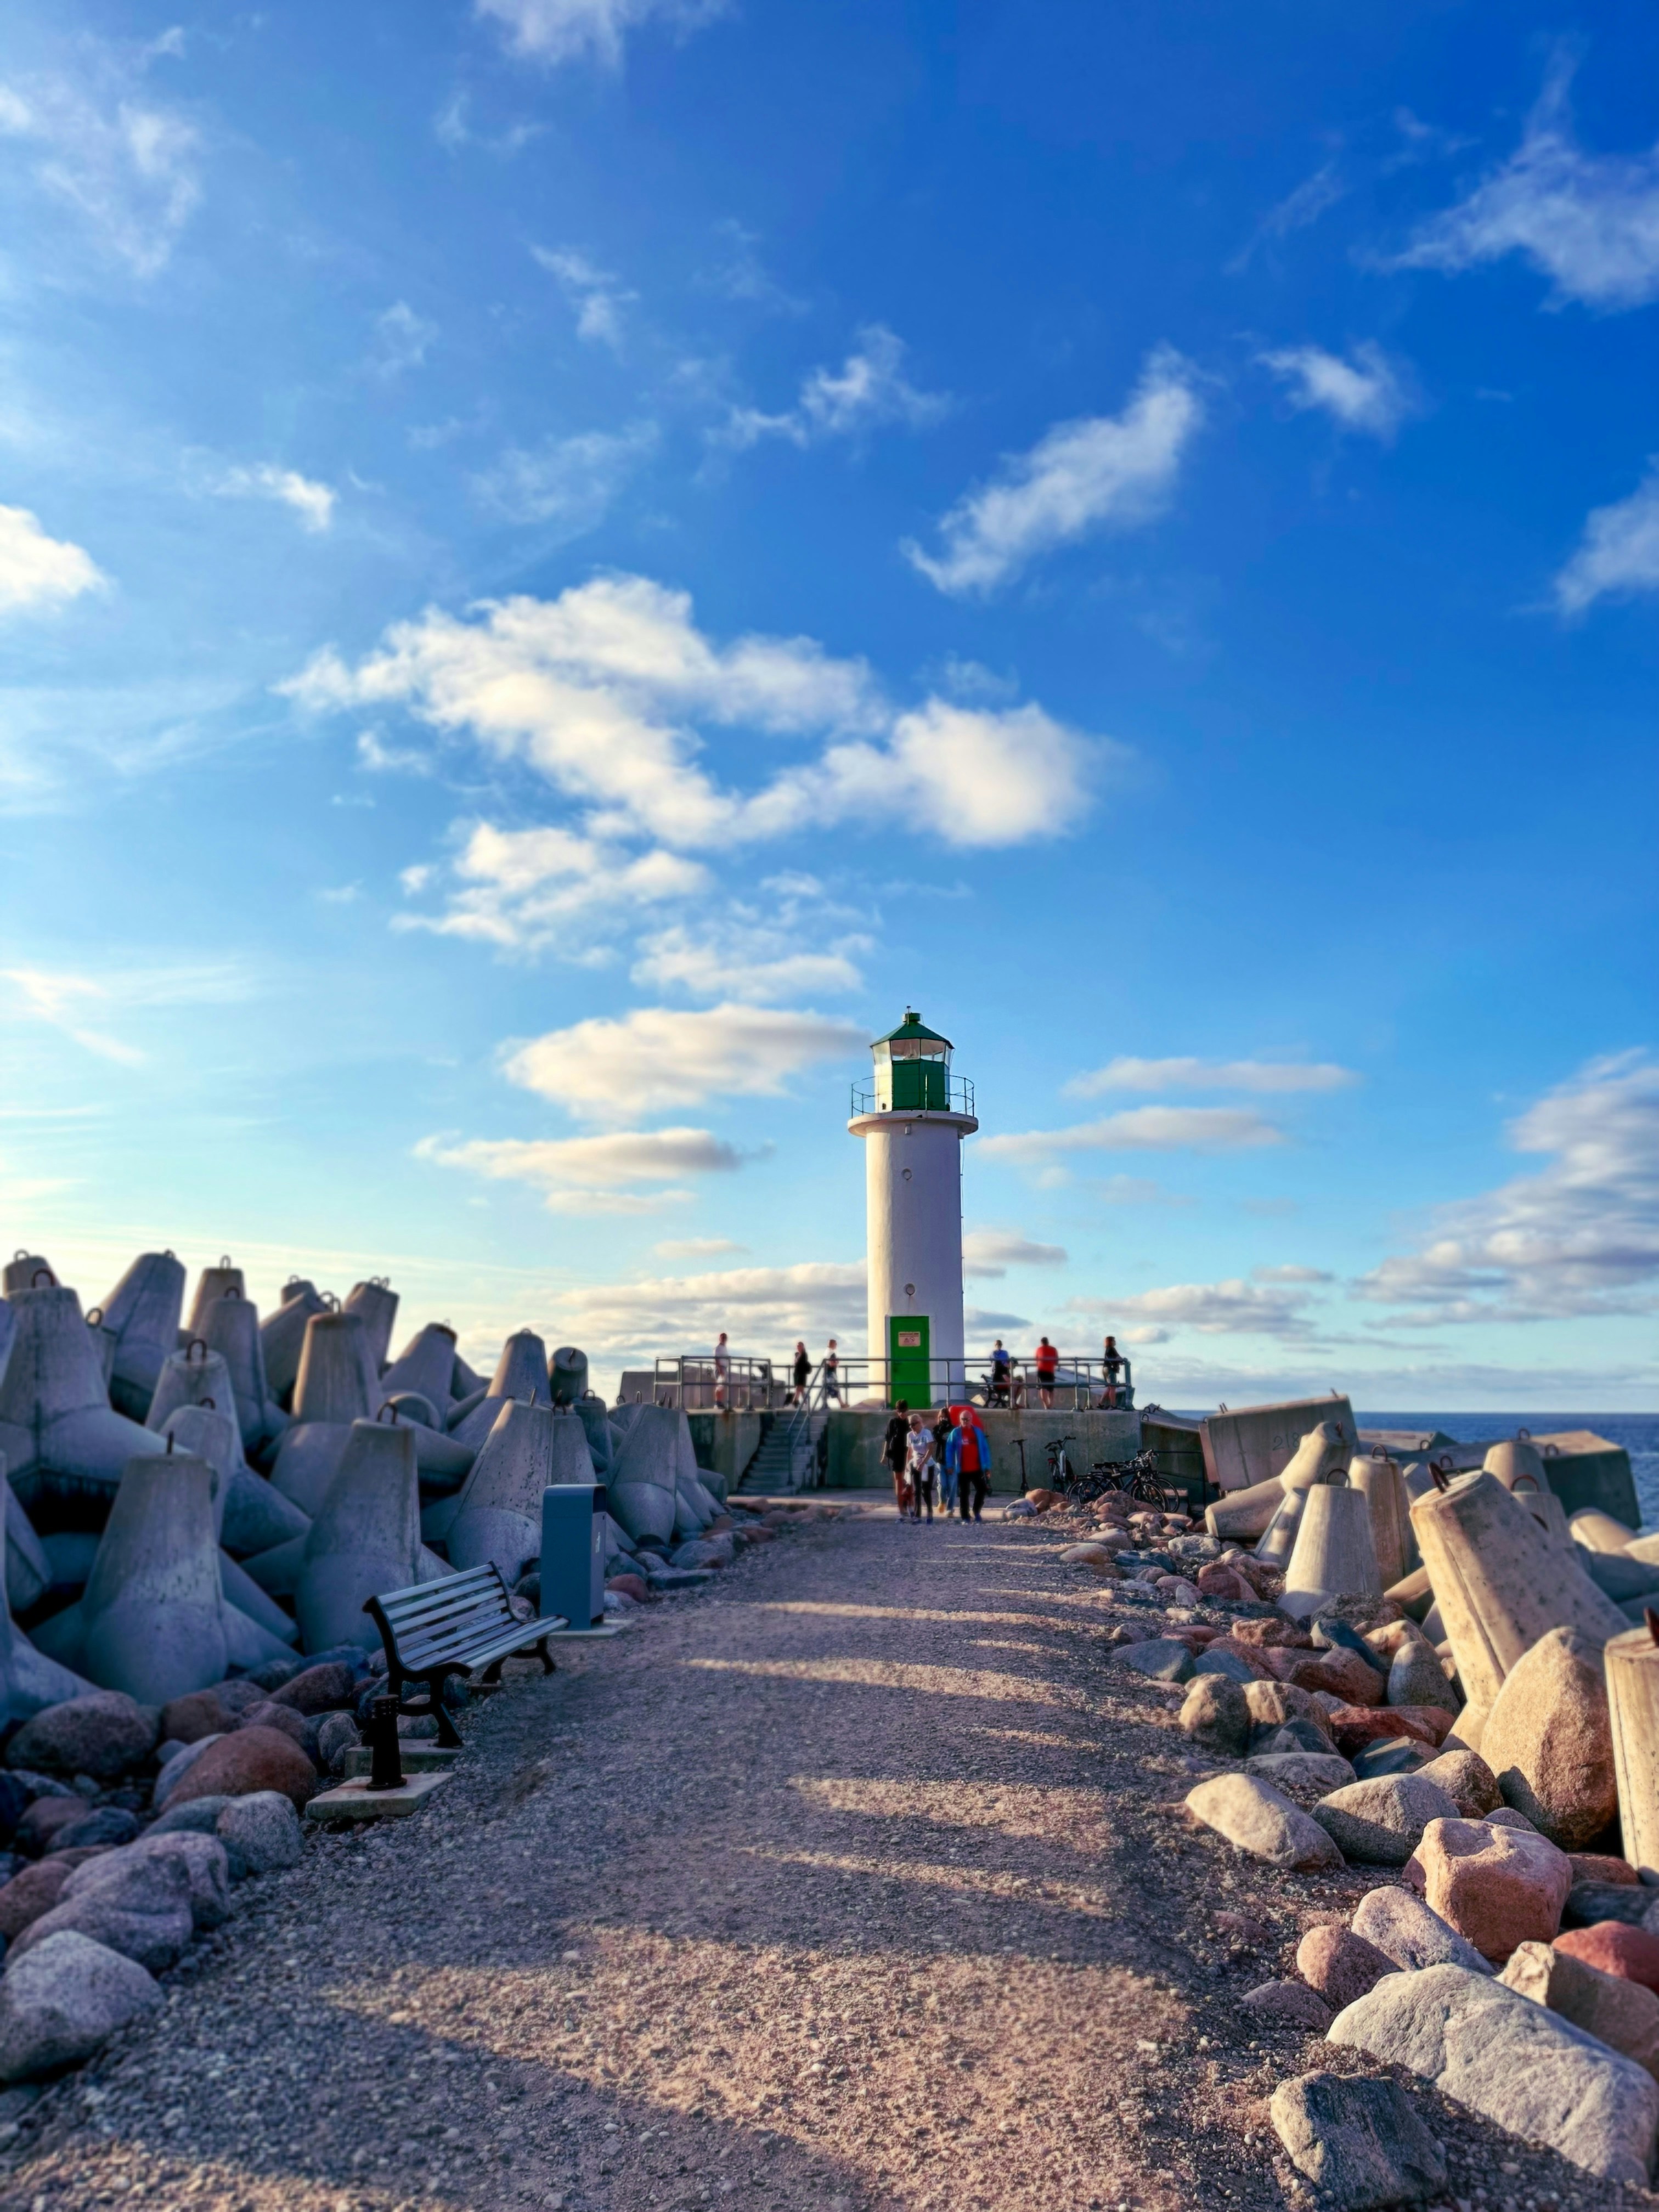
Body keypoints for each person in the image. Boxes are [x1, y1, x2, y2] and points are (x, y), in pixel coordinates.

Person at [947, 1407, 992, 1522]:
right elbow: (949, 1449)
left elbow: (985, 1449)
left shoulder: (977, 1432)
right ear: (960, 1420)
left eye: (967, 1419)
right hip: (962, 1469)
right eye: (963, 1419)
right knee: (964, 1493)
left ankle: (976, 1511)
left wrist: (987, 1467)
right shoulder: (956, 1433)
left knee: (982, 1489)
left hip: (977, 1468)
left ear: (971, 1419)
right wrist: (950, 1465)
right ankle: (965, 1516)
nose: (965, 1422)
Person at [884, 1400, 912, 1518]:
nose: (902, 1414)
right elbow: (888, 1439)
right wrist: (884, 1455)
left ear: (907, 1410)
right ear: (897, 1411)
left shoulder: (910, 1422)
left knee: (909, 1483)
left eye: (904, 1411)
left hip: (908, 1454)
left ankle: (908, 1506)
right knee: (899, 1482)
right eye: (900, 1411)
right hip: (896, 1454)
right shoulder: (893, 1422)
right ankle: (901, 1509)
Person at [906, 1413, 935, 1523]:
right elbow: (910, 1451)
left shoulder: (926, 1433)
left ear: (920, 1423)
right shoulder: (910, 1435)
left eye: (914, 1424)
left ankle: (930, 1514)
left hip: (927, 1464)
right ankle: (917, 1516)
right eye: (910, 1425)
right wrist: (907, 1466)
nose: (912, 1427)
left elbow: (930, 1449)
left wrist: (923, 1463)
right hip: (915, 1462)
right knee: (916, 1490)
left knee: (926, 1491)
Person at [934, 1406, 957, 1515]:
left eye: (945, 1417)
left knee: (952, 1486)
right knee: (942, 1484)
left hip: (952, 1462)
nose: (943, 1419)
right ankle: (942, 1501)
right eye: (941, 1417)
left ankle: (950, 1508)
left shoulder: (953, 1429)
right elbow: (937, 1439)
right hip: (940, 1461)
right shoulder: (936, 1429)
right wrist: (941, 1428)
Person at [1035, 1334, 1059, 1410]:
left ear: (1041, 1343)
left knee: (1043, 1388)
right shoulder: (1053, 1349)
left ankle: (1046, 1406)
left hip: (1041, 1370)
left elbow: (1036, 1360)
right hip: (1050, 1371)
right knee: (1051, 1389)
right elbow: (1056, 1362)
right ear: (1048, 1342)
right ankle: (1050, 1405)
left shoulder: (1038, 1349)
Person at [1101, 1334, 1124, 1409]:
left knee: (1109, 1388)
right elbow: (1115, 1358)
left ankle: (1100, 1403)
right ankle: (1113, 1405)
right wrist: (1118, 1362)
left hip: (1105, 1369)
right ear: (1111, 1342)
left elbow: (1116, 1357)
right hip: (1110, 1369)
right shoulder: (1111, 1349)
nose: (1115, 1342)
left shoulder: (1108, 1349)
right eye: (1114, 1340)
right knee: (1113, 1388)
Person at [989, 1338, 1012, 1408]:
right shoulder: (1004, 1354)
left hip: (996, 1379)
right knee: (1015, 1385)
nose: (998, 1346)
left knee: (1014, 1383)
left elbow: (992, 1361)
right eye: (998, 1344)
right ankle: (1012, 1403)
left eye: (999, 1344)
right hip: (1000, 1380)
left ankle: (1006, 1402)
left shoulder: (993, 1354)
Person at [820, 1338, 841, 1408]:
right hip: (831, 1373)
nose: (836, 1345)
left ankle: (825, 1404)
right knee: (835, 1388)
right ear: (832, 1344)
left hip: (826, 1373)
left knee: (828, 1389)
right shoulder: (832, 1353)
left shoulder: (827, 1352)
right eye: (836, 1344)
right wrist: (837, 1362)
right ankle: (841, 1404)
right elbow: (831, 1364)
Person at [713, 1330, 731, 1410]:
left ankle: (720, 1402)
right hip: (720, 1368)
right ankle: (717, 1403)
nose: (724, 1339)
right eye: (722, 1337)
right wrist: (720, 1370)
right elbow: (716, 1359)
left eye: (725, 1338)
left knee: (722, 1385)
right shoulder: (718, 1348)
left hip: (724, 1368)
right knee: (720, 1385)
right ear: (720, 1338)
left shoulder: (724, 1348)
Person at [792, 1340, 811, 1407]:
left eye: (800, 1346)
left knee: (798, 1388)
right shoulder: (797, 1354)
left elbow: (802, 1363)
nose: (798, 1347)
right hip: (797, 1373)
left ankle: (794, 1403)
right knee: (801, 1389)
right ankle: (806, 1403)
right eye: (798, 1346)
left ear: (803, 1347)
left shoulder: (804, 1355)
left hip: (802, 1374)